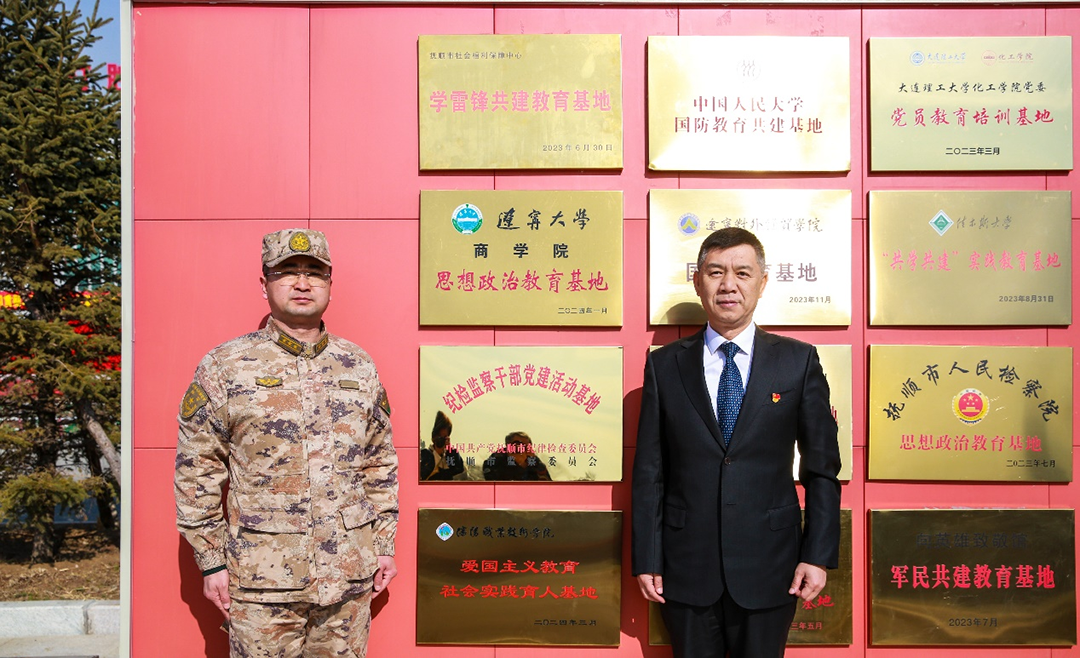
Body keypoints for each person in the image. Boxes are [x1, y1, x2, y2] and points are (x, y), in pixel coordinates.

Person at [174, 229, 398, 658]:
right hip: (262, 583)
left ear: (330, 284)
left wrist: (383, 545)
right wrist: (211, 560)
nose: (302, 282)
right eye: (287, 272)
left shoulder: (358, 365)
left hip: (348, 577)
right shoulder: (227, 366)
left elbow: (379, 463)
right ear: (264, 285)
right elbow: (197, 469)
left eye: (314, 272)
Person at [631, 227, 841, 658]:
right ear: (698, 282)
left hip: (773, 566)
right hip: (685, 566)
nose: (728, 285)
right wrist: (647, 558)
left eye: (742, 273)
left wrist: (817, 555)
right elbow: (651, 472)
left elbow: (822, 469)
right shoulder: (664, 366)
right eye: (716, 272)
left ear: (762, 283)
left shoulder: (798, 361)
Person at [482, 431, 552, 481]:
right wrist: (517, 465)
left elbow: (547, 484)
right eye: (517, 444)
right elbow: (492, 480)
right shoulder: (497, 458)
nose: (521, 448)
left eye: (526, 445)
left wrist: (524, 464)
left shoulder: (533, 460)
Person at [420, 410, 465, 480]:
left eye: (444, 438)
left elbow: (459, 469)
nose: (441, 440)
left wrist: (450, 450)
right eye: (439, 437)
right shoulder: (425, 455)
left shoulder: (449, 456)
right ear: (434, 437)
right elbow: (423, 474)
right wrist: (437, 454)